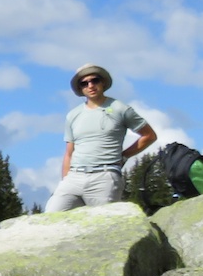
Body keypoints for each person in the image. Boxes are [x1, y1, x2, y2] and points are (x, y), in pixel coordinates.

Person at [44, 64, 156, 213]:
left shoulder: (120, 108)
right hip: (74, 177)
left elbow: (149, 135)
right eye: (84, 83)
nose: (90, 85)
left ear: (102, 82)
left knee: (103, 222)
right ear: (80, 88)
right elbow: (69, 153)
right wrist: (65, 179)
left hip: (105, 176)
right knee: (51, 215)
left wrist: (124, 156)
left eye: (94, 80)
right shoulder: (73, 115)